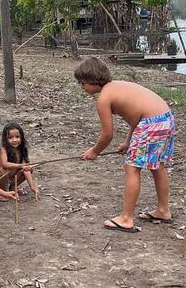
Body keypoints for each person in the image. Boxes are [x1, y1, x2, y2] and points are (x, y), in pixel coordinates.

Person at [75, 57, 176, 233]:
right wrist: (129, 142)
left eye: (82, 83)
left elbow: (107, 134)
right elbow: (136, 116)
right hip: (164, 117)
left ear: (92, 80)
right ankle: (163, 210)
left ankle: (126, 218)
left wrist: (94, 151)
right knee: (157, 166)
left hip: (150, 124)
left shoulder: (103, 99)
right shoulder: (117, 86)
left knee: (132, 168)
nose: (81, 87)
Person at [0, 123, 39, 201]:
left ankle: (13, 188)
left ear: (22, 137)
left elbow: (26, 170)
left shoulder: (22, 150)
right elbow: (5, 164)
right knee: (2, 170)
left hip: (11, 180)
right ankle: (2, 192)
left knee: (29, 168)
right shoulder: (3, 149)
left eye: (17, 137)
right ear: (5, 139)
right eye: (10, 137)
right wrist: (21, 166)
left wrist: (32, 186)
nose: (14, 140)